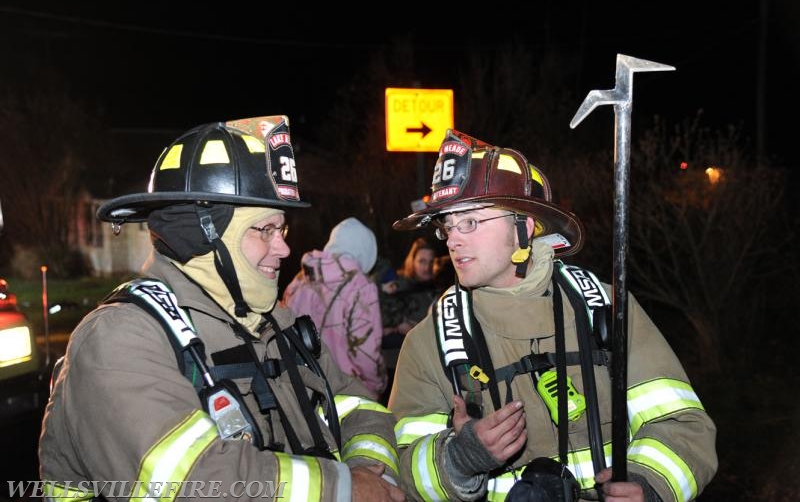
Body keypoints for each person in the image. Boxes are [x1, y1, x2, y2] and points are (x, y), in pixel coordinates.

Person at [39, 116, 404, 502]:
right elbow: (189, 484)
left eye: (282, 230)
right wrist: (344, 489)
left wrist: (367, 468)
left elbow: (359, 406)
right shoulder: (119, 338)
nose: (283, 249)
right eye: (263, 230)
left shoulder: (278, 323)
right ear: (202, 234)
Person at [388, 129, 717, 501]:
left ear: (523, 228)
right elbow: (398, 470)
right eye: (447, 225)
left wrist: (650, 485)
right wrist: (457, 460)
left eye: (470, 222)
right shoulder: (431, 342)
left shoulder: (605, 308)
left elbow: (684, 425)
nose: (453, 239)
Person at [283, 217, 387, 400]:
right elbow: (366, 352)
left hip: (304, 388)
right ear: (366, 252)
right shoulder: (360, 286)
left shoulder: (299, 281)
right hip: (348, 389)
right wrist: (376, 385)